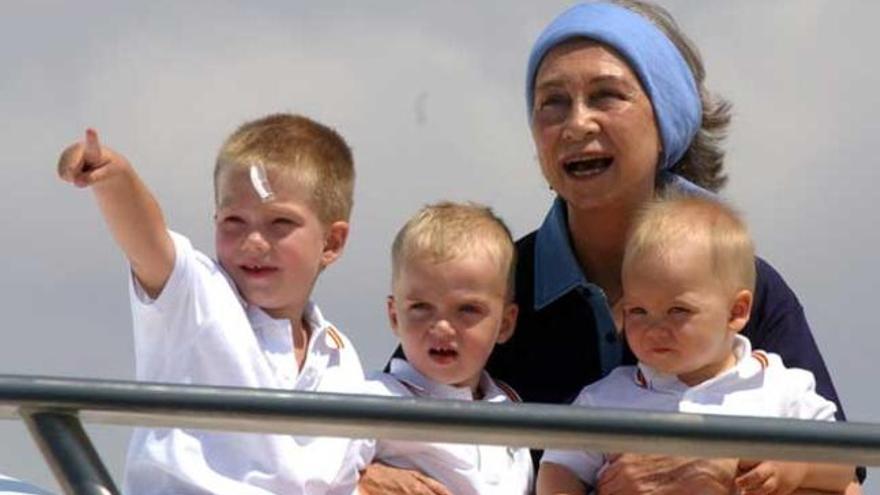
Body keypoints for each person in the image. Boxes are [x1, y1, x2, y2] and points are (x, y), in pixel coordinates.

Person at [482, 0, 864, 492]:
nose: (576, 124)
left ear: (666, 121)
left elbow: (845, 477)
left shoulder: (750, 280)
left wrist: (717, 464)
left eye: (605, 96)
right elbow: (387, 430)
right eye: (551, 102)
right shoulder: (488, 284)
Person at [56, 114, 364, 495]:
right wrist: (114, 177)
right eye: (234, 220)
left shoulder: (341, 357)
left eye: (279, 223)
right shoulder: (198, 295)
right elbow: (146, 239)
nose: (252, 241)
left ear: (332, 243)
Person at [536, 194, 854, 495]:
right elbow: (558, 467)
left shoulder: (779, 386)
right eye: (638, 311)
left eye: (678, 311)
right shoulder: (605, 399)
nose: (654, 329)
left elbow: (843, 460)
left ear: (736, 312)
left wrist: (794, 468)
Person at [349, 202, 533, 495]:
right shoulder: (372, 399)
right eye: (421, 307)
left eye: (468, 309)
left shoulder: (514, 416)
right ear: (395, 316)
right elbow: (305, 471)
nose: (442, 327)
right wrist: (360, 482)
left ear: (505, 324)